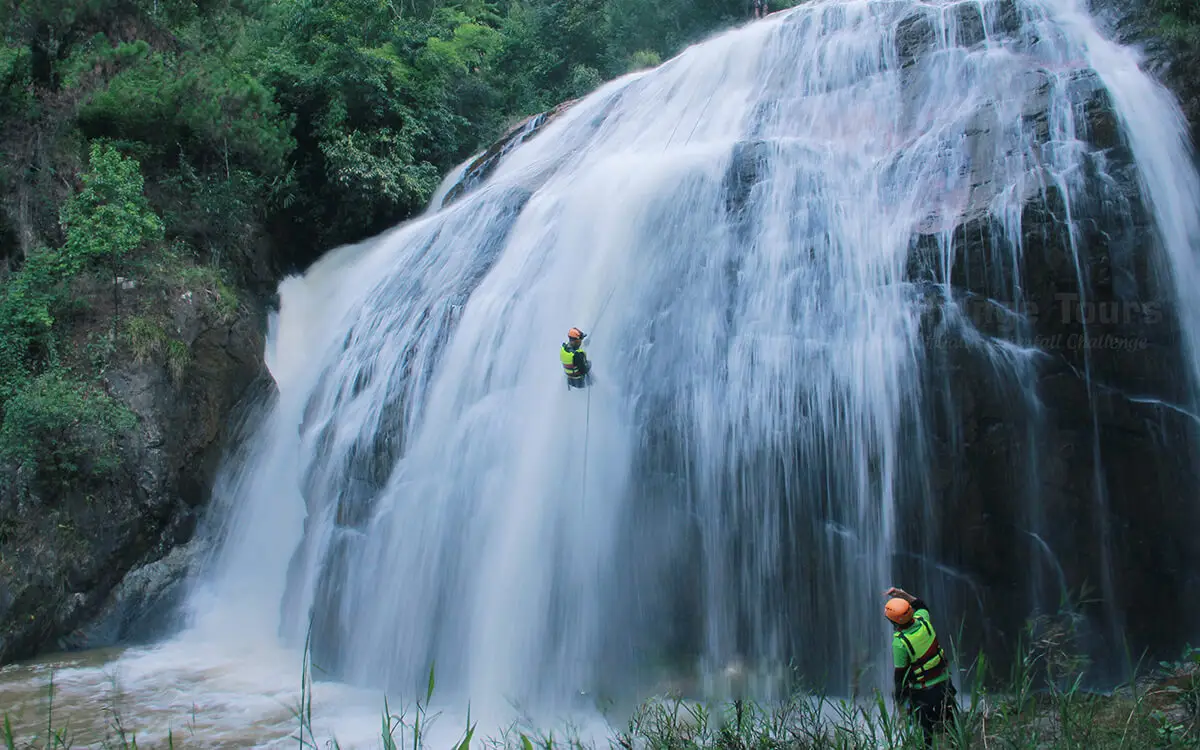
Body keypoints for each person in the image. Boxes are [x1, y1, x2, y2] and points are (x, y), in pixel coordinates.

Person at [885, 587, 957, 748]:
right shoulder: (923, 620)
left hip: (925, 693)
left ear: (893, 622)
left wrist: (899, 703)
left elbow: (900, 677)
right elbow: (922, 605)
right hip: (945, 685)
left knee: (926, 733)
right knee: (952, 725)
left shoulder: (900, 643)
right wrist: (904, 594)